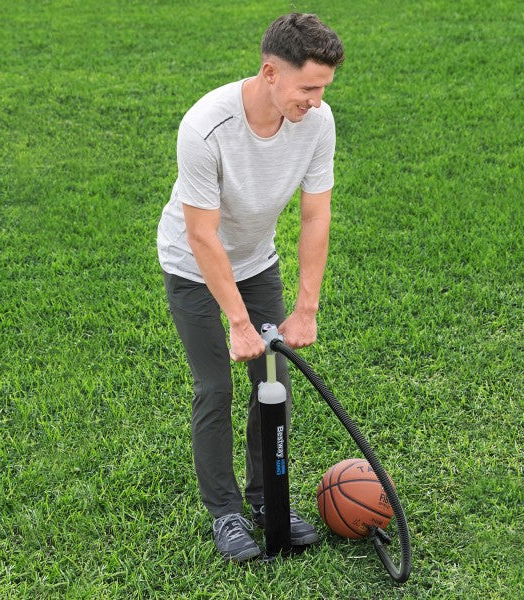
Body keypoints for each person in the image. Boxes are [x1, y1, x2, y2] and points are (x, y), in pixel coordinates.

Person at [157, 13, 344, 561]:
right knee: (215, 386)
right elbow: (201, 234)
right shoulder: (205, 127)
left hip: (258, 263)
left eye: (324, 88)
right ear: (270, 73)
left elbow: (316, 216)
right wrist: (238, 323)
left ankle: (267, 500)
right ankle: (227, 512)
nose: (316, 101)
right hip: (192, 266)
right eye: (308, 88)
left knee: (272, 380)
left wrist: (306, 308)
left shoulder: (318, 122)